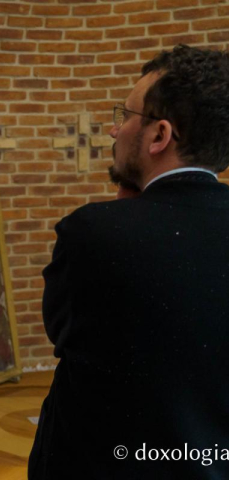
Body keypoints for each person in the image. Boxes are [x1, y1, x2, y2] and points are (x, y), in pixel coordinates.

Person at [29, 45, 229, 479]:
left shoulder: (92, 233)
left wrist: (122, 219)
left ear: (159, 135)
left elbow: (64, 334)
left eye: (126, 115)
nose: (114, 129)